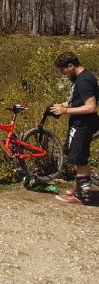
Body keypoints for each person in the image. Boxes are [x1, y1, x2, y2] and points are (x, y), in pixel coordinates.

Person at [52, 51, 99, 203]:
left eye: (63, 70)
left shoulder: (84, 80)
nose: (63, 74)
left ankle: (81, 195)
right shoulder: (81, 79)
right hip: (79, 124)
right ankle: (81, 189)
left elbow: (91, 107)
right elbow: (77, 101)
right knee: (77, 157)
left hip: (84, 125)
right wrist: (61, 105)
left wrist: (65, 110)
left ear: (71, 66)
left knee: (79, 158)